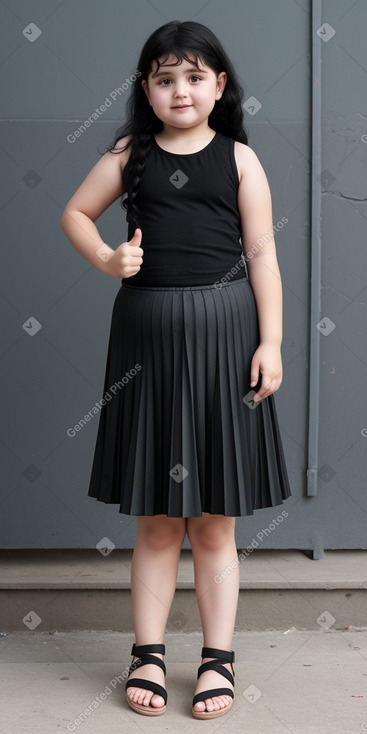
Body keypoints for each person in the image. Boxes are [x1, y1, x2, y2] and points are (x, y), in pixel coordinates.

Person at [61, 19, 292, 721]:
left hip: (226, 346)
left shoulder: (240, 161)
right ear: (146, 89)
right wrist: (106, 258)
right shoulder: (129, 154)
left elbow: (262, 257)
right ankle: (148, 654)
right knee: (159, 522)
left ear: (218, 86)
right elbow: (75, 211)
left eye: (194, 77)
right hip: (145, 352)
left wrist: (271, 342)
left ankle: (216, 659)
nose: (180, 90)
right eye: (165, 78)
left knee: (215, 522)